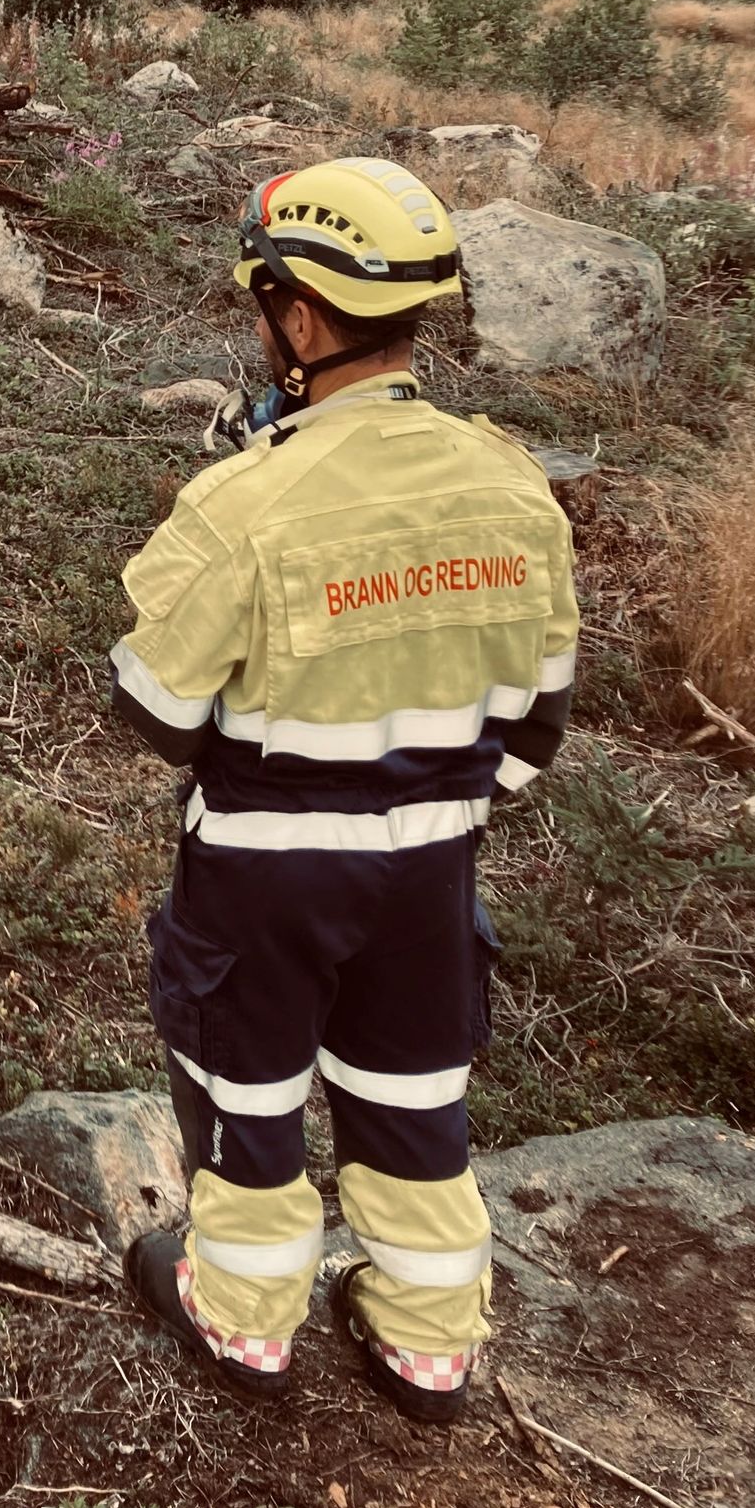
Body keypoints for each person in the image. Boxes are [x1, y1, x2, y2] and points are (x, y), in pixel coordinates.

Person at [110, 158, 578, 1421]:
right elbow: (538, 714)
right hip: (431, 866)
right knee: (413, 1091)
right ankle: (427, 1343)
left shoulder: (244, 500)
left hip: (264, 872)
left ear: (299, 320)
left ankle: (244, 1319)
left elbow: (154, 712)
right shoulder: (511, 484)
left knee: (245, 1096)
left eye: (264, 303)